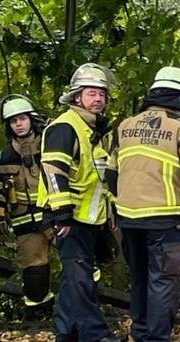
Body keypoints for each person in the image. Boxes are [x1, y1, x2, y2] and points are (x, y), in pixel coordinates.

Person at [111, 66, 180, 341]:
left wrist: (122, 204)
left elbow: (111, 174)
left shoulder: (125, 126)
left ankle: (140, 333)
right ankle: (157, 338)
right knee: (163, 283)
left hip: (128, 219)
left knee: (139, 279)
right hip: (164, 220)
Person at [40, 63, 122, 342]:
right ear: (77, 97)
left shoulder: (97, 130)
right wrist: (61, 214)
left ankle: (66, 333)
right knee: (80, 277)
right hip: (69, 218)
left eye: (101, 93)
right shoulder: (66, 127)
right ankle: (95, 335)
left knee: (75, 277)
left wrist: (109, 212)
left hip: (90, 217)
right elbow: (53, 172)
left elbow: (98, 178)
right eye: (91, 93)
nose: (98, 98)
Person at [0, 94, 55, 320]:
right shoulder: (3, 157)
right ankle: (38, 314)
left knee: (78, 262)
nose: (18, 124)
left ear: (32, 119)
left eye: (22, 119)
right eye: (13, 121)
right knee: (34, 270)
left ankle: (83, 310)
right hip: (25, 221)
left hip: (57, 215)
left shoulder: (51, 145)